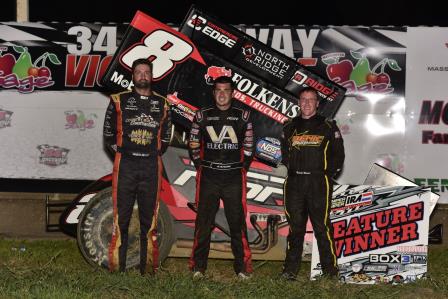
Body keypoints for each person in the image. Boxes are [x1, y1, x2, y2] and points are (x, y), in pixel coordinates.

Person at [103, 58, 172, 275]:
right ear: (132, 76)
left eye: (146, 72)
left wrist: (151, 153)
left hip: (151, 166)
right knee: (120, 219)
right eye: (138, 72)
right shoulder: (118, 100)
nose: (142, 75)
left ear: (152, 76)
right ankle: (117, 268)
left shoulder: (163, 103)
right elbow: (108, 136)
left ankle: (148, 270)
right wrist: (126, 153)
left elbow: (167, 137)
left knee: (149, 221)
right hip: (126, 166)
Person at [188, 76, 254, 280]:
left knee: (237, 224)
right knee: (203, 223)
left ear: (233, 93)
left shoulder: (243, 116)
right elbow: (192, 144)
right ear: (213, 93)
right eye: (218, 90)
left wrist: (241, 168)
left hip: (234, 178)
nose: (222, 94)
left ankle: (242, 268)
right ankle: (198, 267)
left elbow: (250, 147)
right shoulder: (201, 116)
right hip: (209, 177)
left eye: (226, 90)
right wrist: (201, 166)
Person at [280, 86, 345, 280]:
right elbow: (285, 155)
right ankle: (290, 271)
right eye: (303, 99)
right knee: (295, 228)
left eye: (311, 100)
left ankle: (330, 272)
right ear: (299, 102)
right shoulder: (289, 126)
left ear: (317, 103)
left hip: (318, 183)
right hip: (294, 183)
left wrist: (325, 174)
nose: (307, 103)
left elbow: (338, 156)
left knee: (322, 227)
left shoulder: (328, 125)